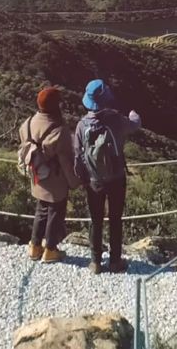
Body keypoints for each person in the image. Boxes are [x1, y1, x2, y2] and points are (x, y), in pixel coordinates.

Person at [72, 79, 141, 274]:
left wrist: (82, 178)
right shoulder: (116, 120)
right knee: (115, 218)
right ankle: (115, 260)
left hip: (94, 181)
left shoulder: (81, 126)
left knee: (95, 219)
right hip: (117, 178)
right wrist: (133, 113)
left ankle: (95, 261)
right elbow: (135, 125)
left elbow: (77, 155)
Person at [20, 87, 79, 264]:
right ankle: (50, 250)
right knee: (55, 212)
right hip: (55, 180)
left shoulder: (27, 124)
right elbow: (67, 161)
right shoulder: (59, 130)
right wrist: (74, 182)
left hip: (37, 177)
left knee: (41, 210)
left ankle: (34, 246)